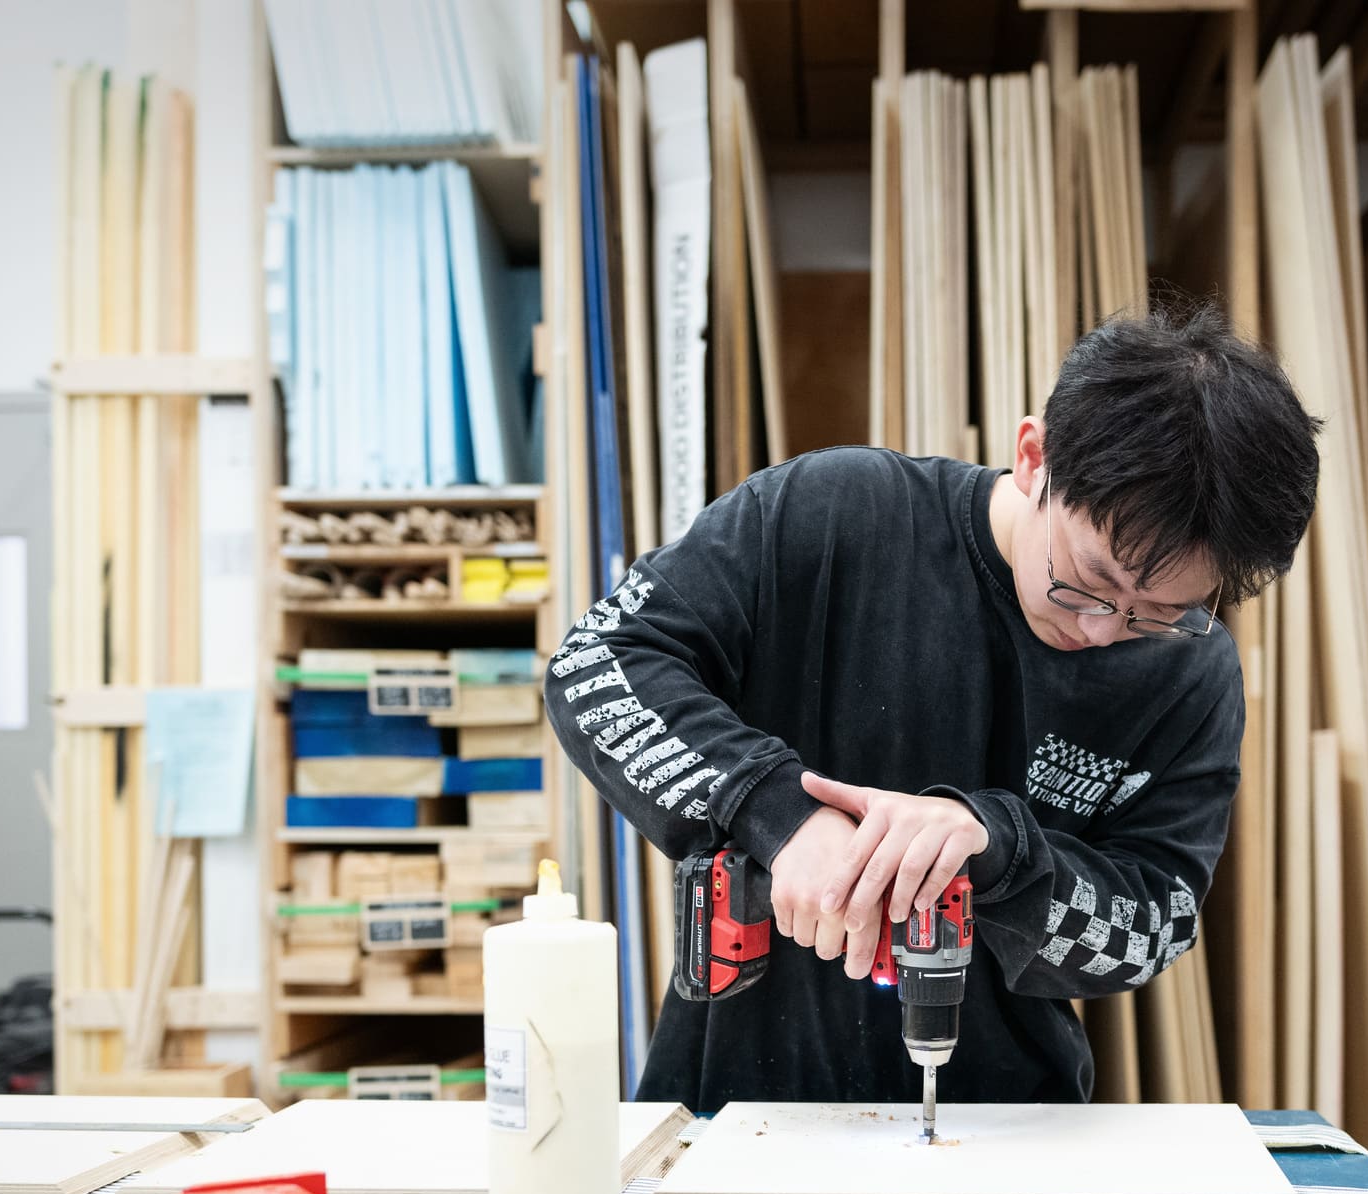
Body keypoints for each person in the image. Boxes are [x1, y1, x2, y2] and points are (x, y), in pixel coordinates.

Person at [545, 300, 1321, 1111]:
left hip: (1009, 1123)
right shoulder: (835, 512)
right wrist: (776, 813)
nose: (1103, 629)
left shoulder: (1191, 673)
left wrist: (1000, 854)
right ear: (1034, 458)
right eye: (1088, 580)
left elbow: (1157, 921)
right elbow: (596, 663)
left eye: (1156, 612)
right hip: (734, 1102)